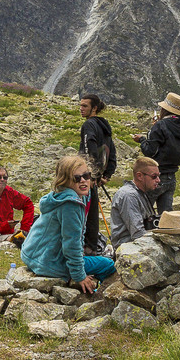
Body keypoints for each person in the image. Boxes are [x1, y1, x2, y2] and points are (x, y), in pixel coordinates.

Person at [21, 155, 117, 294]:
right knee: (107, 264)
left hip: (32, 255)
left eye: (86, 175)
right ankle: (99, 295)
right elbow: (71, 244)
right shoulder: (71, 205)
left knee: (90, 260)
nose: (83, 180)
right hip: (49, 262)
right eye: (77, 178)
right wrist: (79, 275)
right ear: (65, 181)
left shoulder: (60, 196)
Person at [139, 93, 180, 218]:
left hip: (155, 176)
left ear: (164, 109)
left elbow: (149, 151)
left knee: (145, 213)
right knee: (167, 216)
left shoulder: (160, 125)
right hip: (171, 176)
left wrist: (142, 140)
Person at [77, 94, 117, 254]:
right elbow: (112, 153)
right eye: (80, 105)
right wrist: (106, 175)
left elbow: (89, 148)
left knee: (82, 213)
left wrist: (90, 175)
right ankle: (91, 248)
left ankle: (83, 250)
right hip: (95, 178)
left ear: (94, 108)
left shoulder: (89, 125)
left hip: (86, 177)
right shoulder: (105, 127)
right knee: (92, 214)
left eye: (85, 106)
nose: (81, 108)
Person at [109, 156, 161, 247]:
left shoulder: (141, 192)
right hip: (128, 248)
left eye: (158, 176)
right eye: (154, 176)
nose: (158, 180)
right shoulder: (129, 195)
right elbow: (137, 234)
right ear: (139, 176)